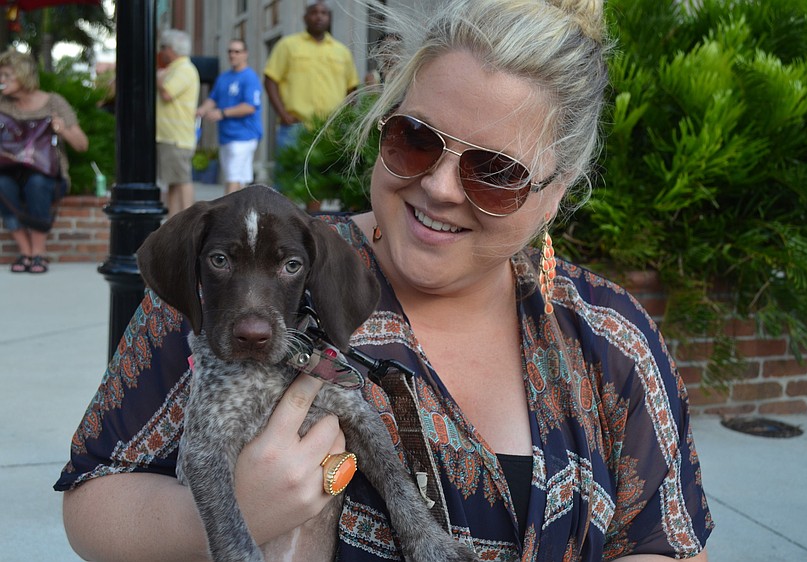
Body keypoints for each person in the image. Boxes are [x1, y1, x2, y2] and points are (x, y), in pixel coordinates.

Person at [56, 0, 713, 560]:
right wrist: (233, 514)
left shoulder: (610, 337)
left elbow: (665, 543)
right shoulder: (225, 285)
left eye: (495, 172)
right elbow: (91, 501)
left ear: (555, 193)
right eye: (416, 139)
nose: (439, 187)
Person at [0, 49, 88, 274]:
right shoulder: (2, 104)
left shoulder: (54, 102)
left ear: (23, 75)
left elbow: (82, 145)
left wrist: (62, 130)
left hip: (47, 174)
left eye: (7, 75)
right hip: (9, 172)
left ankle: (39, 252)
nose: (2, 80)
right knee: (2, 185)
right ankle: (26, 251)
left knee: (37, 184)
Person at [263, 0, 359, 152]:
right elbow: (270, 80)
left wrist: (345, 120)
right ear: (305, 18)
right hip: (295, 128)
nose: (319, 17)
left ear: (329, 18)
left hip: (332, 131)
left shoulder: (342, 52)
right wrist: (283, 114)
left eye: (324, 13)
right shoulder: (287, 45)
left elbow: (352, 89)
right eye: (314, 13)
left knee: (329, 168)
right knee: (292, 168)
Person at [196, 39, 263, 194]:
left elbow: (250, 106)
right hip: (226, 136)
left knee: (232, 177)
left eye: (237, 51)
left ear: (245, 54)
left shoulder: (250, 77)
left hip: (244, 135)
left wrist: (222, 113)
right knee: (239, 179)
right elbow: (213, 99)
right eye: (230, 51)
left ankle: (227, 209)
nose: (233, 55)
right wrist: (202, 110)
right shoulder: (223, 78)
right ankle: (243, 209)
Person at [156, 29, 200, 217]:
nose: (161, 52)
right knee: (173, 182)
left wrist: (158, 78)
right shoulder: (176, 68)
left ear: (172, 49)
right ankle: (173, 222)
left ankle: (190, 220)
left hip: (177, 137)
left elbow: (167, 93)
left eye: (163, 47)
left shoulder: (184, 69)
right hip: (170, 136)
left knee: (182, 180)